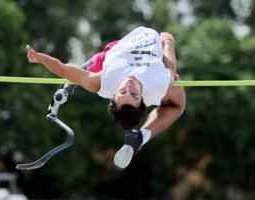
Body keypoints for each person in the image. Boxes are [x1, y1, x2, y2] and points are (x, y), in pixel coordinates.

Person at [26, 26, 186, 169]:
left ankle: (140, 137)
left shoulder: (104, 81)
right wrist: (168, 41)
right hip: (152, 56)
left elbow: (62, 68)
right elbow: (170, 65)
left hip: (116, 52)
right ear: (143, 98)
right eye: (134, 94)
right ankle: (142, 136)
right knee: (177, 103)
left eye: (123, 92)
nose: (129, 86)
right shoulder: (159, 82)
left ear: (113, 94)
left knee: (88, 72)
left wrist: (41, 59)